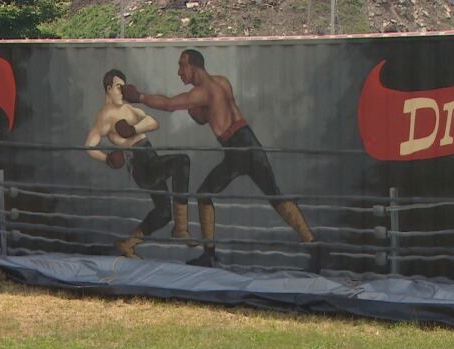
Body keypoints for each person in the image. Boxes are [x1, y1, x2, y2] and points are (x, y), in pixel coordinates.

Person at [121, 50, 322, 272]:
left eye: (182, 66)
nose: (179, 72)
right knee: (274, 194)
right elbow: (211, 115)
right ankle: (314, 246)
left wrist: (139, 97)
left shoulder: (203, 91)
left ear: (194, 67)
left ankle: (209, 255)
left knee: (204, 195)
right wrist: (198, 112)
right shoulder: (221, 82)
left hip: (237, 147)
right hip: (248, 141)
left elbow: (169, 105)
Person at [84, 69, 196, 258]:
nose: (123, 91)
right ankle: (181, 228)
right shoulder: (105, 115)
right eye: (119, 87)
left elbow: (152, 122)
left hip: (151, 158)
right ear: (109, 88)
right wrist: (107, 159)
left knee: (163, 213)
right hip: (140, 164)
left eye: (125, 87)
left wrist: (133, 129)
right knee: (181, 162)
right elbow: (89, 146)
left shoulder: (127, 108)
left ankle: (127, 244)